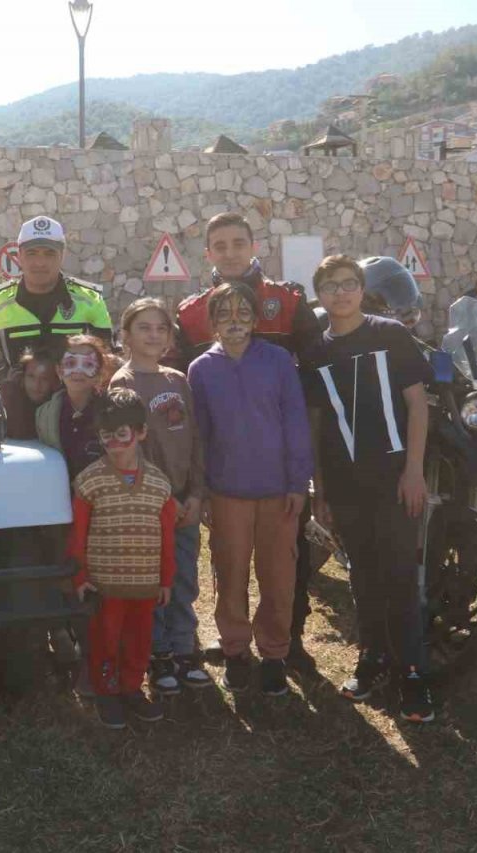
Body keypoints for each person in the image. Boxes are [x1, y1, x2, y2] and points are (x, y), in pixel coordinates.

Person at [171, 211, 322, 674]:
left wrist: (302, 474)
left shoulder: (288, 301)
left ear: (253, 246)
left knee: (284, 567)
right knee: (230, 567)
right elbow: (189, 400)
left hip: (279, 470)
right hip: (226, 477)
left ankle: (287, 641)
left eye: (239, 243)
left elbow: (312, 381)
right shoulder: (190, 314)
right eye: (220, 245)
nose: (231, 252)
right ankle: (235, 644)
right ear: (208, 253)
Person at [301, 255, 435, 723]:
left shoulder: (390, 334)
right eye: (330, 286)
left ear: (361, 288)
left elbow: (417, 406)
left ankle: (413, 674)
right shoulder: (314, 351)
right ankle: (372, 659)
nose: (340, 292)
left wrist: (413, 471)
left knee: (400, 575)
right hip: (345, 484)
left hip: (394, 479)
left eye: (348, 283)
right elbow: (317, 425)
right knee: (363, 575)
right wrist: (320, 489)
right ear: (319, 294)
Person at [188, 282, 312, 696]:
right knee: (230, 574)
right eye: (224, 313)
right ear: (212, 322)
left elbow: (296, 422)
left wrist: (298, 482)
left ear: (256, 319)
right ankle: (236, 651)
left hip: (278, 492)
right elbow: (200, 435)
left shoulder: (278, 361)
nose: (235, 320)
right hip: (227, 492)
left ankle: (274, 653)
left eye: (243, 312)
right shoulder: (201, 369)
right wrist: (203, 490)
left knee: (278, 577)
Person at [111, 298, 212, 693]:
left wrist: (196, 493)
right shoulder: (123, 384)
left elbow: (195, 439)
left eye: (161, 328)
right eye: (143, 328)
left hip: (185, 500)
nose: (153, 335)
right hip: (150, 503)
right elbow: (128, 450)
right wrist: (161, 498)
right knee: (154, 580)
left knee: (184, 575)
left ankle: (185, 647)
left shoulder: (178, 380)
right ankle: (158, 653)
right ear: (126, 335)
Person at [67, 388, 177, 728]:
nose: (113, 442)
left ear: (141, 432)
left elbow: (167, 537)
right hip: (104, 586)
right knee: (105, 640)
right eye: (106, 435)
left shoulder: (159, 484)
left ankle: (131, 688)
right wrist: (79, 577)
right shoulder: (89, 482)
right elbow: (77, 536)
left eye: (121, 433)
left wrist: (166, 580)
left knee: (138, 642)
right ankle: (106, 692)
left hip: (144, 586)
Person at [0, 215, 112, 372]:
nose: (40, 263)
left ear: (62, 255)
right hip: (18, 388)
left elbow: (108, 361)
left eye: (49, 254)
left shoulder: (90, 301)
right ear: (19, 256)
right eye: (32, 253)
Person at [36, 334, 119, 480]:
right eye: (70, 363)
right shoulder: (44, 414)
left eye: (88, 364)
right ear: (59, 371)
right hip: (59, 489)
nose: (78, 371)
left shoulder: (113, 411)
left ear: (99, 373)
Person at [0, 347, 60, 439]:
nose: (36, 385)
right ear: (22, 377)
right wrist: (9, 388)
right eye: (31, 376)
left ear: (55, 382)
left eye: (44, 379)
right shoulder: (11, 395)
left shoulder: (59, 406)